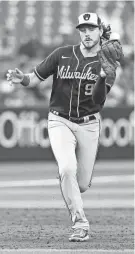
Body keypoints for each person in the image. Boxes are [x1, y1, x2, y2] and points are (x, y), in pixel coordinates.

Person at [7, 12, 119, 242]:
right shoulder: (62, 54)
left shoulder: (107, 63)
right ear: (79, 32)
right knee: (67, 168)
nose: (87, 33)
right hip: (60, 120)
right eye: (83, 29)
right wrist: (23, 79)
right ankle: (80, 223)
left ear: (100, 31)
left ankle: (69, 182)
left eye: (91, 29)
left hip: (89, 123)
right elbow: (36, 77)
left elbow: (98, 101)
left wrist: (101, 76)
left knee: (81, 184)